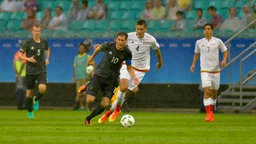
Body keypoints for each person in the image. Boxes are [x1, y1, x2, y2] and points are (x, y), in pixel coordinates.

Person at [98, 19, 163, 123]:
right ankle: (116, 110)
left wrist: (160, 62)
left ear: (145, 29)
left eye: (141, 29)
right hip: (128, 65)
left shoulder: (151, 39)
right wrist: (102, 48)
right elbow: (117, 44)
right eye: (137, 29)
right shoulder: (129, 36)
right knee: (123, 88)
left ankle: (109, 112)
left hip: (141, 70)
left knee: (126, 93)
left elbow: (157, 51)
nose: (139, 31)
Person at [83, 32, 139, 125]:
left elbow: (129, 67)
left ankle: (88, 119)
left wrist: (134, 77)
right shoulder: (109, 45)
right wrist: (92, 57)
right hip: (100, 75)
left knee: (105, 104)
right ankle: (89, 85)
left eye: (122, 40)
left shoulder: (127, 53)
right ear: (116, 39)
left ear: (126, 41)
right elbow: (98, 48)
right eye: (119, 40)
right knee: (90, 100)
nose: (120, 42)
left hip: (112, 80)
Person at [190, 23, 228, 122]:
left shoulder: (218, 41)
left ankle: (211, 110)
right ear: (203, 31)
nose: (207, 31)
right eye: (205, 29)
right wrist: (193, 64)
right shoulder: (199, 42)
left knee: (214, 93)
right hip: (204, 70)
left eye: (209, 29)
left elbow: (225, 50)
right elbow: (196, 54)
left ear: (212, 31)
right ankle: (208, 114)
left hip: (215, 71)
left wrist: (224, 60)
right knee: (206, 91)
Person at [18, 24, 50, 118]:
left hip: (41, 69)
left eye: (38, 31)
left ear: (40, 32)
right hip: (30, 71)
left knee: (42, 88)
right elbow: (20, 55)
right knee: (29, 93)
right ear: (32, 31)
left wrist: (47, 58)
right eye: (35, 31)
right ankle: (29, 111)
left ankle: (36, 99)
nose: (36, 33)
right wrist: (28, 59)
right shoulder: (27, 43)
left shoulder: (44, 42)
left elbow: (48, 49)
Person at [72, 40, 94, 110]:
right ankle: (82, 106)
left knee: (86, 93)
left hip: (85, 77)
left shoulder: (88, 56)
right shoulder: (76, 58)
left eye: (82, 48)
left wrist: (92, 73)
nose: (81, 49)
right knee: (79, 92)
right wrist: (73, 76)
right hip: (78, 77)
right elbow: (75, 68)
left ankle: (88, 106)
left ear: (85, 49)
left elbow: (92, 65)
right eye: (80, 48)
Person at [13, 41, 26, 110]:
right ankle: (21, 105)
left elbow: (14, 64)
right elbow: (23, 64)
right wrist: (18, 74)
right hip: (22, 75)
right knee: (22, 90)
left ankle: (21, 105)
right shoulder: (24, 53)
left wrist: (17, 74)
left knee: (19, 89)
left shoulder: (17, 53)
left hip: (20, 75)